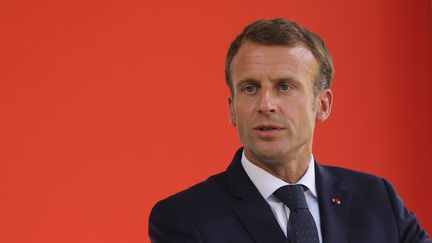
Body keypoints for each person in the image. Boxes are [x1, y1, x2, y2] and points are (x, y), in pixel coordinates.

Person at [148, 18, 431, 243]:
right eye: (250, 88)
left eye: (284, 86)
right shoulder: (185, 218)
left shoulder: (377, 199)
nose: (266, 104)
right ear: (232, 108)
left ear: (322, 105)